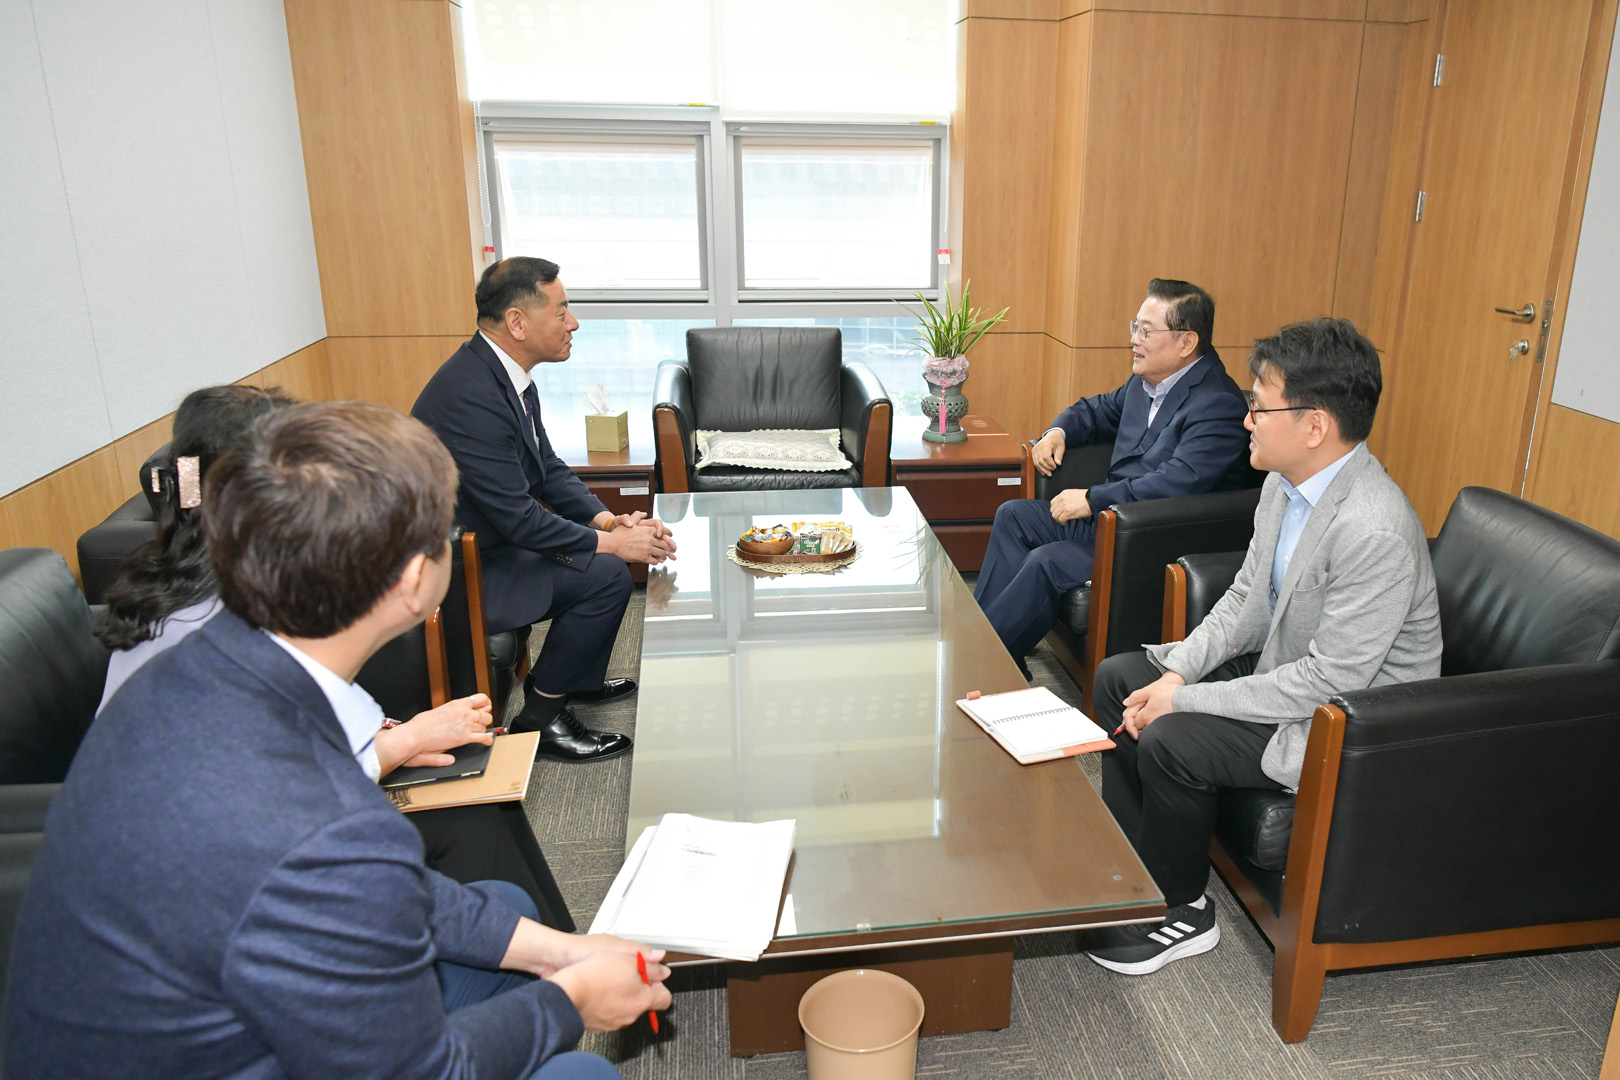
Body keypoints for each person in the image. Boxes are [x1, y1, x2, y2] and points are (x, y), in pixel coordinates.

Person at [3, 401, 668, 1079]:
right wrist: (572, 1001)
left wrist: (559, 953)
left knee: (511, 912)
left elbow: (385, 889)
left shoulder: (196, 666)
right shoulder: (329, 828)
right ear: (416, 582)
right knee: (584, 1074)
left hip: (160, 1021)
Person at [94, 384, 573, 928]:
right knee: (473, 836)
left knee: (478, 799)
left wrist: (394, 738)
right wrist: (402, 742)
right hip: (217, 882)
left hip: (260, 825)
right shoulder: (214, 628)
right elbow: (274, 796)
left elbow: (300, 736)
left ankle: (563, 954)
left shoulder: (226, 583)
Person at [1082, 318, 1441, 975]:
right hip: (1291, 677)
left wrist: (1184, 702)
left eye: (1258, 406)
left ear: (1315, 425)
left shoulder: (1374, 529)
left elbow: (1328, 683)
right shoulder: (1283, 484)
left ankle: (1184, 910)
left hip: (1345, 725)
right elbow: (1246, 601)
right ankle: (1136, 867)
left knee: (1172, 736)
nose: (1245, 419)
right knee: (1119, 678)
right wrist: (1177, 674)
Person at [413, 256, 676, 762]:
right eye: (561, 311)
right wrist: (614, 543)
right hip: (460, 571)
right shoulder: (471, 395)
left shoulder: (505, 375)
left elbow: (548, 467)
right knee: (607, 574)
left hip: (492, 546)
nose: (573, 323)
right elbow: (519, 518)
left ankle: (570, 680)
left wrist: (608, 520)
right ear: (517, 321)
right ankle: (540, 719)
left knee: (605, 561)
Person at [973, 279, 1251, 670]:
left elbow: (1177, 483)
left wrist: (1091, 499)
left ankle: (983, 663)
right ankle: (990, 647)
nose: (1134, 339)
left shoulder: (1218, 404)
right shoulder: (1147, 382)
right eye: (1135, 327)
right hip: (1110, 521)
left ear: (1186, 342)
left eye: (1146, 331)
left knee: (1046, 561)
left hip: (1151, 537)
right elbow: (1095, 411)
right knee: (1013, 516)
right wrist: (1057, 431)